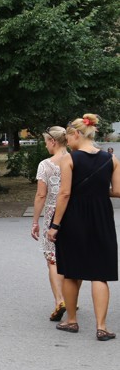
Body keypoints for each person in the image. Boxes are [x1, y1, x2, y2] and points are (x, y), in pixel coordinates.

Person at [46, 114, 120, 340]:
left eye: (68, 136)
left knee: (71, 272)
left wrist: (54, 225)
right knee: (100, 274)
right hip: (102, 217)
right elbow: (117, 191)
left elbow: (65, 193)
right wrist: (98, 193)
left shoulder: (69, 159)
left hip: (74, 217)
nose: (66, 140)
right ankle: (102, 327)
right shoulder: (112, 159)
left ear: (77, 134)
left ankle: (72, 321)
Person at [30, 126, 69, 321]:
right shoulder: (74, 160)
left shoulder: (45, 165)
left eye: (46, 142)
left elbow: (41, 195)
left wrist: (35, 220)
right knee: (71, 257)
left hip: (53, 213)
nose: (46, 146)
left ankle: (60, 300)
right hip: (73, 212)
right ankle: (72, 297)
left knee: (52, 258)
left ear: (53, 141)